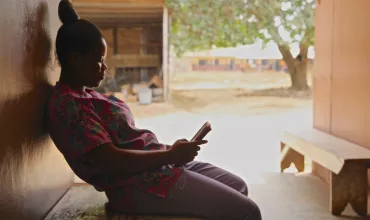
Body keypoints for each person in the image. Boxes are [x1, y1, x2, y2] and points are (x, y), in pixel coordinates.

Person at [47, 1, 262, 220]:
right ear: (75, 59)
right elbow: (109, 161)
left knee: (238, 186)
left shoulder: (87, 95)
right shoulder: (69, 105)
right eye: (98, 61)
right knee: (247, 212)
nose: (104, 68)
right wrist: (169, 155)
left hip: (158, 165)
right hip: (137, 184)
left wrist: (171, 152)